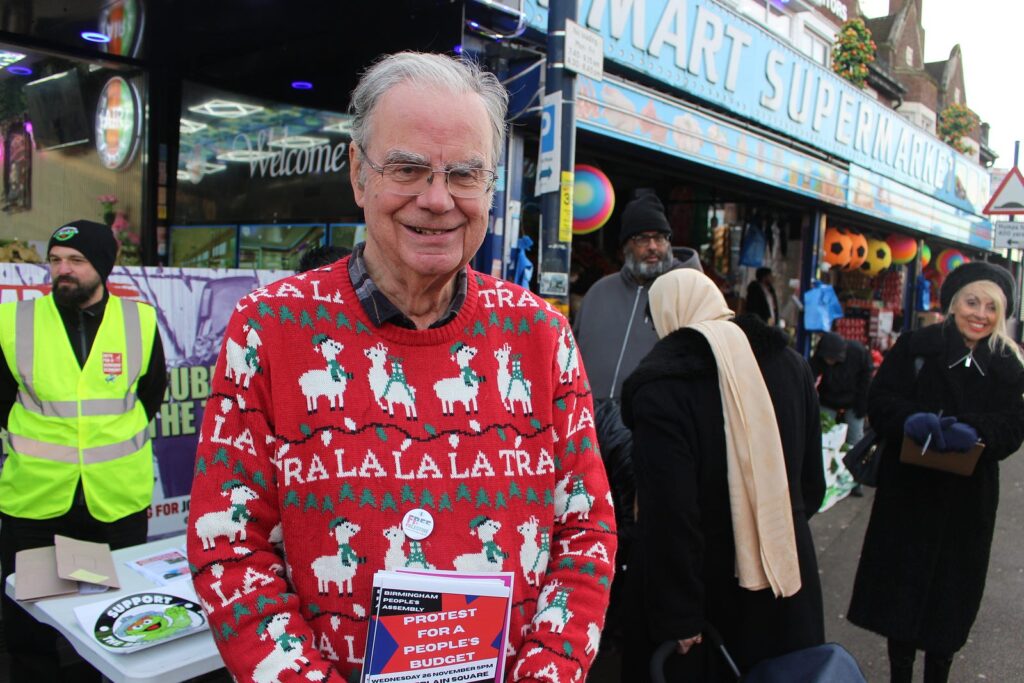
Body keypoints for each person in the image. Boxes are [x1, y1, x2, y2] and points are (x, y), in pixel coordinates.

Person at [186, 52, 615, 683]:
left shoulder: (541, 337)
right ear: (359, 173)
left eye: (465, 174)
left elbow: (585, 534)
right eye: (408, 168)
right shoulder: (268, 330)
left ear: (490, 189)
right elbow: (228, 547)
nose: (438, 199)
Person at [620, 269, 825, 682]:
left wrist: (678, 615)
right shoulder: (790, 365)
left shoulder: (663, 387)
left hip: (708, 593)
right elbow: (811, 485)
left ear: (666, 313)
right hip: (786, 577)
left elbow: (670, 516)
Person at [0, 219, 167, 680]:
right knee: (31, 618)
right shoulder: (16, 320)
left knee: (110, 614)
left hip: (110, 505)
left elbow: (151, 395)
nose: (63, 270)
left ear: (103, 266)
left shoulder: (139, 320)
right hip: (37, 503)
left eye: (76, 261)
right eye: (55, 260)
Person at [847, 261, 1024, 683]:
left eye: (991, 307)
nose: (980, 314)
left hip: (968, 502)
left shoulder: (1007, 364)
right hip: (909, 493)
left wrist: (978, 431)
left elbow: (1014, 426)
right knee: (901, 596)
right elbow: (880, 399)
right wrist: (911, 419)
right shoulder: (916, 346)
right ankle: (900, 674)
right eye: (972, 302)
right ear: (953, 304)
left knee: (951, 598)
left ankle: (938, 675)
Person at [572, 192, 700, 653]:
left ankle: (637, 615)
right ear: (626, 244)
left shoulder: (683, 293)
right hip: (592, 426)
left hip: (651, 430)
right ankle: (598, 611)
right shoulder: (601, 293)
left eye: (661, 238)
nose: (653, 247)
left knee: (645, 529)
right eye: (643, 238)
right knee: (594, 526)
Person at [810, 332, 873, 446]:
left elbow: (866, 380)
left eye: (832, 359)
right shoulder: (819, 357)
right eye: (827, 358)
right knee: (822, 433)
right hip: (828, 399)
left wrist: (863, 405)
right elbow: (810, 377)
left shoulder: (858, 353)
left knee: (855, 438)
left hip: (854, 402)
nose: (829, 361)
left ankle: (853, 461)